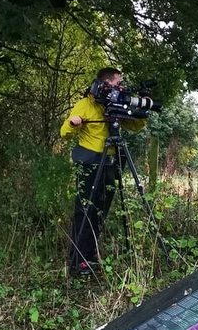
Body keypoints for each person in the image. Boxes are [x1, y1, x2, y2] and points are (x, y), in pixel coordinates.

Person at [60, 67, 147, 275]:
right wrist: (73, 123)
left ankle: (91, 252)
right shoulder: (86, 104)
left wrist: (142, 112)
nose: (120, 87)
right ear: (105, 83)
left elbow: (135, 126)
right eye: (118, 84)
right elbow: (65, 133)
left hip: (111, 162)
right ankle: (78, 258)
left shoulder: (115, 105)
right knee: (86, 209)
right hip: (90, 162)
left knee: (102, 209)